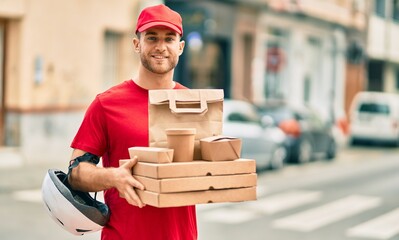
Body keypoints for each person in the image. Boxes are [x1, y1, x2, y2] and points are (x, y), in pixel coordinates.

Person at [68, 4, 197, 240]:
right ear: (137, 44)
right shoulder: (106, 104)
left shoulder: (194, 105)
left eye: (169, 38)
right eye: (151, 37)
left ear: (180, 47)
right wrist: (113, 177)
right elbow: (75, 173)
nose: (160, 47)